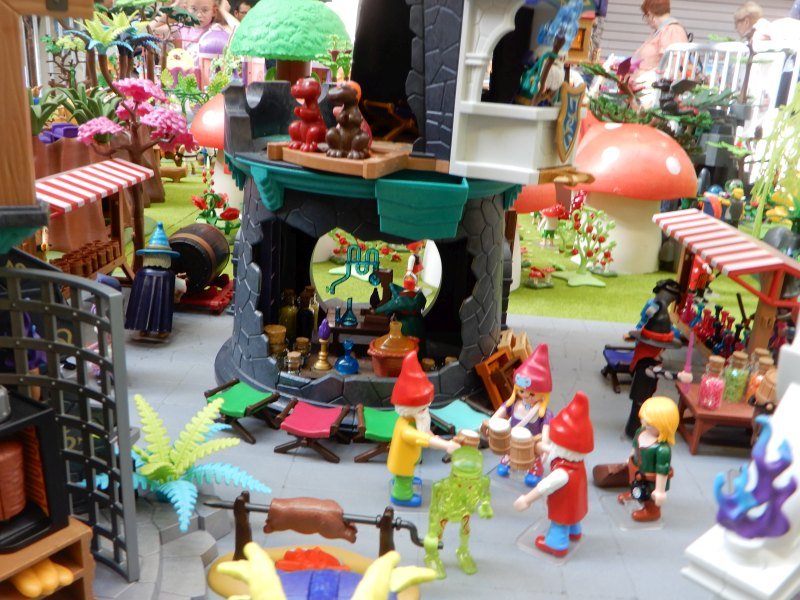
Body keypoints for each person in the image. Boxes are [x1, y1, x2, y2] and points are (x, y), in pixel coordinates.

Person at [513, 391, 594, 557]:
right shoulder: (577, 462)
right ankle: (575, 531)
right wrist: (542, 447)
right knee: (573, 516)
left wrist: (527, 500)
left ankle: (556, 544)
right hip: (577, 504)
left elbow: (544, 486)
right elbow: (556, 451)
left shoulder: (562, 473)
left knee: (560, 523)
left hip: (563, 506)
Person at [387, 351, 460, 507]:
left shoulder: (414, 420)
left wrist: (436, 438)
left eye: (425, 408)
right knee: (404, 479)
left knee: (406, 475)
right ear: (409, 408)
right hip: (402, 462)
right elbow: (423, 438)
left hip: (409, 459)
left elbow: (425, 431)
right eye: (421, 409)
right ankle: (401, 496)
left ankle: (403, 482)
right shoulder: (406, 429)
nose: (424, 412)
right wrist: (446, 445)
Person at [490, 344, 554, 487]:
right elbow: (499, 413)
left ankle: (534, 467)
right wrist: (491, 424)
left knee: (533, 455)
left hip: (532, 443)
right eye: (521, 391)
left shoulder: (544, 413)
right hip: (512, 440)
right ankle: (508, 458)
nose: (525, 395)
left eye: (531, 393)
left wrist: (544, 444)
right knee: (510, 449)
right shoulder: (513, 404)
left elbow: (546, 431)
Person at [616, 396, 678, 522]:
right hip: (636, 469)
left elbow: (662, 471)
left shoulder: (662, 449)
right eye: (643, 419)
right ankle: (635, 493)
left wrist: (660, 491)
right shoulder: (640, 432)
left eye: (649, 423)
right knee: (634, 483)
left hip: (650, 478)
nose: (644, 423)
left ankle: (652, 510)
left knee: (649, 494)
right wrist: (630, 458)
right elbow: (635, 446)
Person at [630, 0, 688, 107]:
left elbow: (673, 67)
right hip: (644, 90)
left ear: (650, 14)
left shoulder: (672, 30)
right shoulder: (661, 31)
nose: (646, 21)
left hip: (654, 93)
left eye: (645, 17)